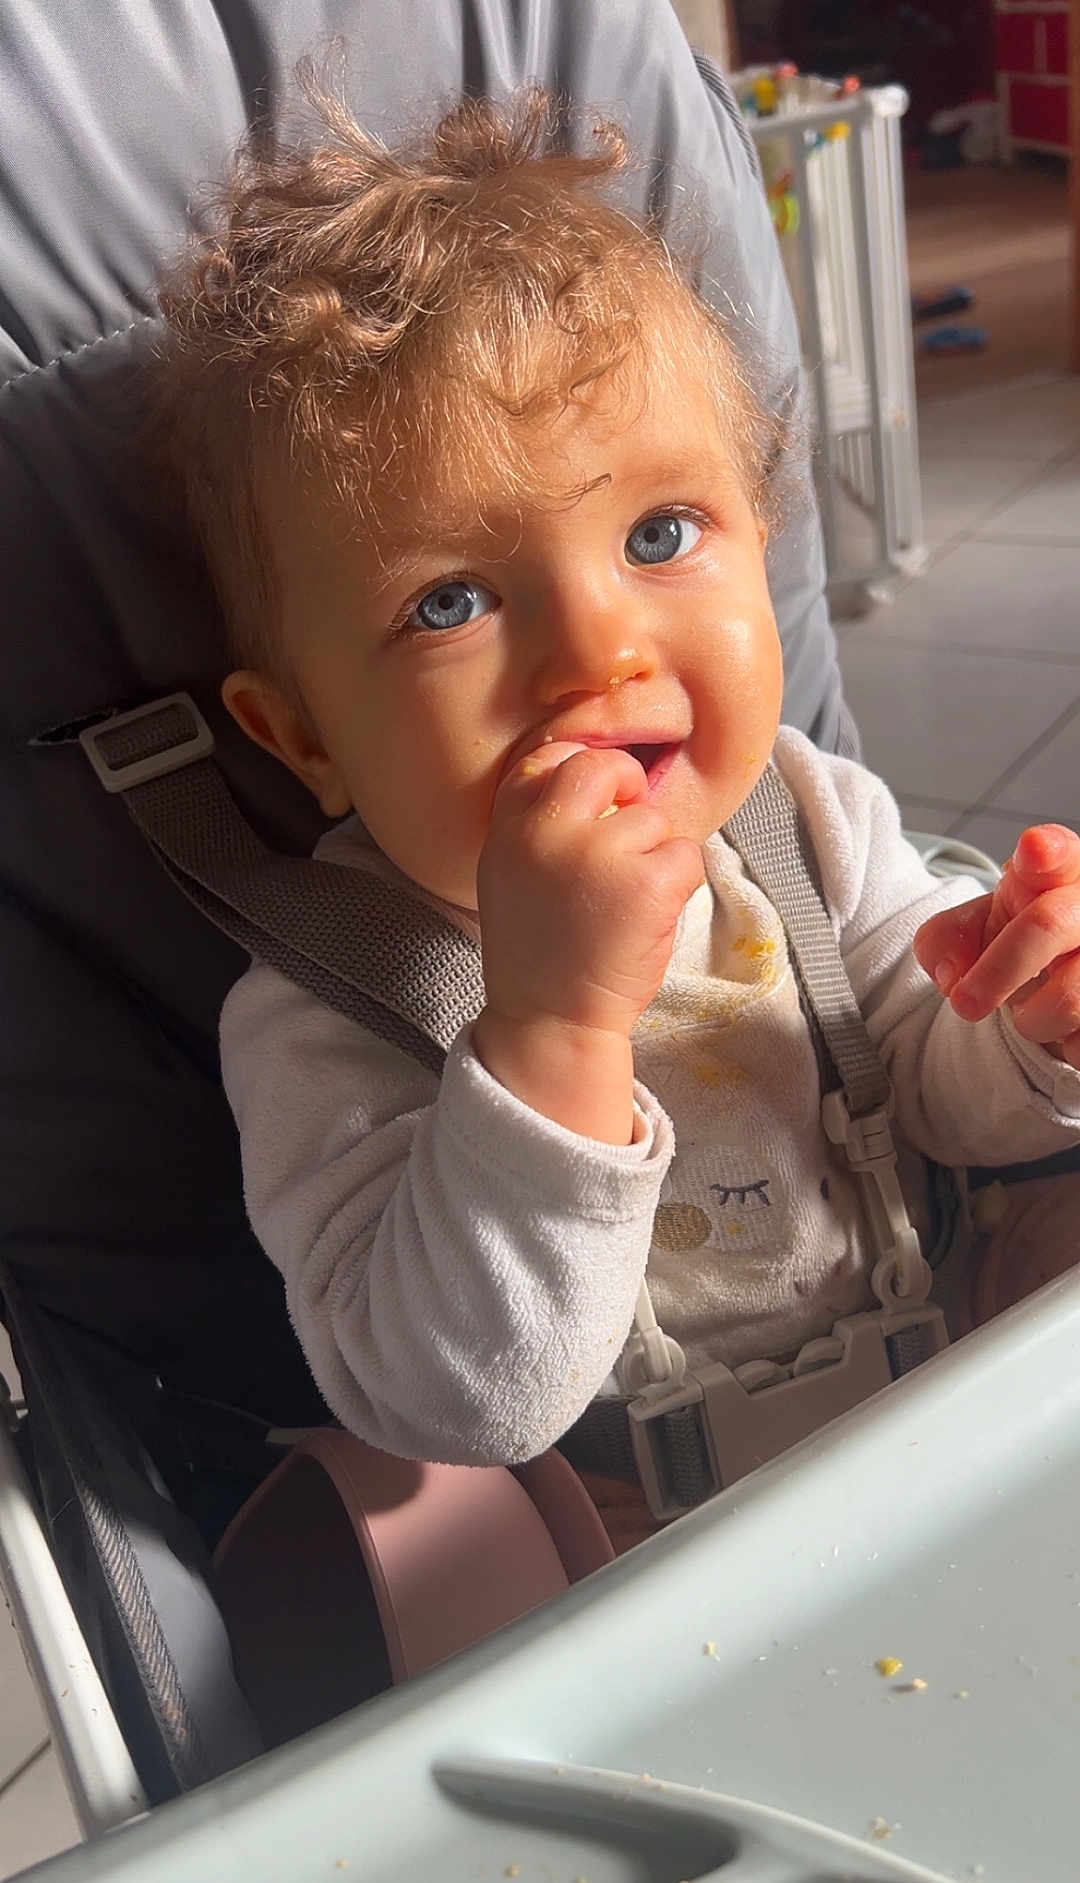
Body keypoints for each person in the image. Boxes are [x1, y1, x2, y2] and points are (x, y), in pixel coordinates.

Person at [155, 87, 1080, 1537]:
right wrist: (550, 1033)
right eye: (450, 603)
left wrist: (1027, 1028)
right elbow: (450, 1398)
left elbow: (936, 1101)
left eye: (659, 533)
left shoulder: (803, 820)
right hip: (624, 1535)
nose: (598, 654)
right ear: (305, 738)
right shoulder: (326, 1003)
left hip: (936, 1404)